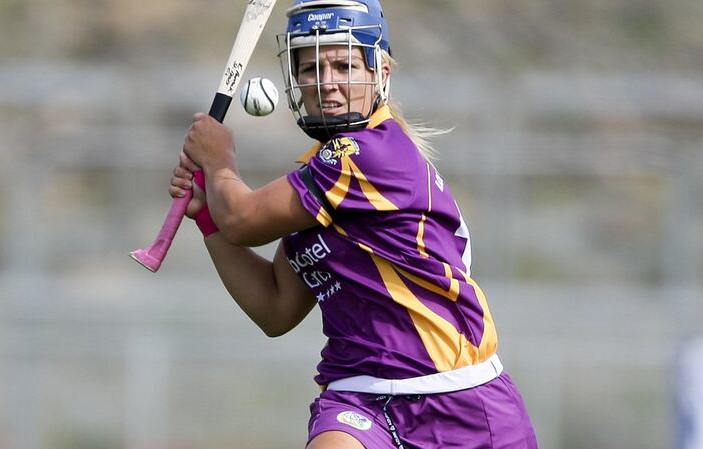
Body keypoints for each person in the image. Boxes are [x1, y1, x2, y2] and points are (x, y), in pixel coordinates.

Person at [170, 1, 539, 447]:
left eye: (343, 64)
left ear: (380, 73)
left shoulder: (365, 156)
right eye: (309, 68)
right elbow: (275, 307)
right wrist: (208, 218)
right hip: (357, 398)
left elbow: (245, 220)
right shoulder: (316, 183)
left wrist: (219, 159)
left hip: (462, 402)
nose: (326, 83)